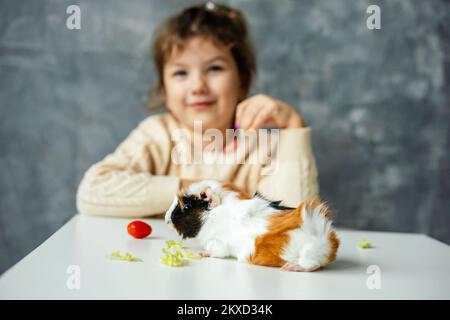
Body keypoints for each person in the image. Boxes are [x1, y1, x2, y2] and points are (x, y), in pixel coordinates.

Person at [76, 1, 319, 217]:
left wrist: (292, 126)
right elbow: (92, 192)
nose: (198, 86)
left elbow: (297, 223)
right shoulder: (157, 135)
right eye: (180, 73)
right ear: (165, 90)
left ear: (242, 81)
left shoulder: (264, 146)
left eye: (214, 69)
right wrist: (196, 190)